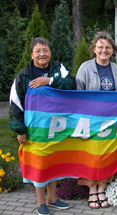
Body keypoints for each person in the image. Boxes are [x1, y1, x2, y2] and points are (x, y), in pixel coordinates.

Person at [9, 37, 76, 215]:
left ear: (50, 52)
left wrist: (50, 82)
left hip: (56, 127)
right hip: (34, 130)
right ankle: (40, 202)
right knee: (39, 164)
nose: (42, 54)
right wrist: (20, 130)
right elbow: (15, 104)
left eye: (45, 50)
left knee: (53, 162)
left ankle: (52, 199)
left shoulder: (57, 68)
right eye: (38, 51)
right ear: (31, 54)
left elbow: (72, 84)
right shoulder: (24, 75)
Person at [76, 31, 117, 209]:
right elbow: (77, 95)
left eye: (108, 47)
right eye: (100, 47)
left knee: (106, 155)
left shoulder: (116, 69)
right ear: (94, 49)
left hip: (111, 122)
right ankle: (92, 189)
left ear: (113, 50)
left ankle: (102, 187)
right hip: (90, 121)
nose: (104, 50)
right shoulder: (85, 68)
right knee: (92, 156)